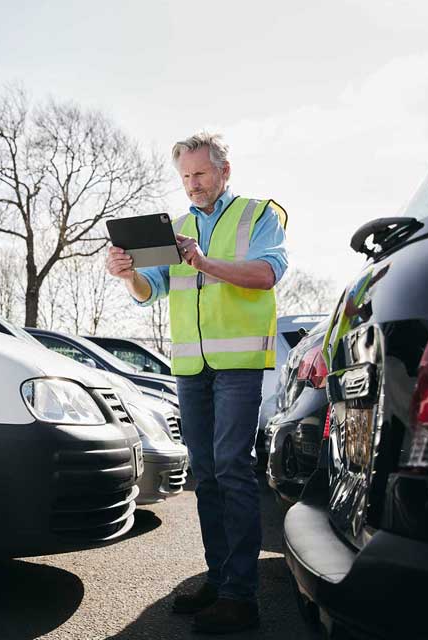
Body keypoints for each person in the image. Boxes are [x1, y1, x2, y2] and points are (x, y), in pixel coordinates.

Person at [106, 131, 288, 634]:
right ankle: (219, 577)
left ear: (223, 172)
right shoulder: (176, 228)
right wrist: (126, 274)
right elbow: (152, 289)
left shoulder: (259, 215)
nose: (192, 184)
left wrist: (204, 261)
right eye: (185, 176)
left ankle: (241, 596)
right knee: (205, 472)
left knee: (232, 467)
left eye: (201, 174)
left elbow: (267, 274)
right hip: (190, 368)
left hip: (238, 362)